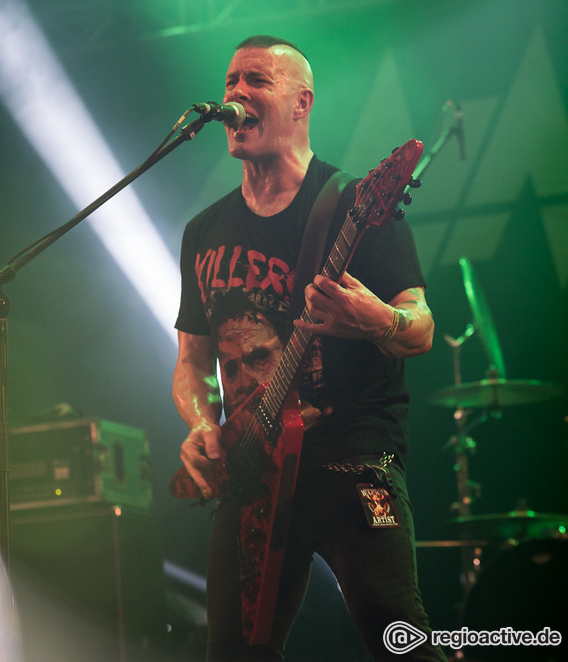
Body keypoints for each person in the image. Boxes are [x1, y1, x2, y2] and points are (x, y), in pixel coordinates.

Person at [172, 35, 446, 661]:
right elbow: (190, 366)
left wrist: (375, 319)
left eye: (257, 82)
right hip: (251, 469)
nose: (237, 94)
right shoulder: (203, 231)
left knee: (397, 636)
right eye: (231, 81)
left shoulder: (355, 203)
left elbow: (421, 326)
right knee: (233, 652)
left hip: (347, 453)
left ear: (301, 104)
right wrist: (199, 423)